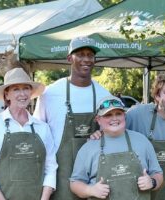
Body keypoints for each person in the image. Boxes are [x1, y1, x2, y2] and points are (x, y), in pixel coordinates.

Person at [33, 36, 111, 200]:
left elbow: (116, 132)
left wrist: (104, 134)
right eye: (80, 54)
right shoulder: (50, 94)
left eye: (90, 55)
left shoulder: (105, 96)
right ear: (69, 58)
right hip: (60, 176)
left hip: (95, 179)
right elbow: (37, 136)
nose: (86, 59)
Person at [70, 95, 163, 200]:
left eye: (118, 113)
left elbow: (158, 173)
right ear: (98, 119)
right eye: (108, 115)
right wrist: (90, 190)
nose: (114, 118)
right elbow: (75, 183)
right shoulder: (88, 148)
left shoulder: (142, 141)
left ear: (124, 115)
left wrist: (152, 182)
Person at [0, 68, 57, 200]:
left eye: (26, 88)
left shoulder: (42, 128)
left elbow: (51, 167)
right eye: (16, 89)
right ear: (7, 95)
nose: (22, 94)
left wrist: (44, 198)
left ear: (31, 93)